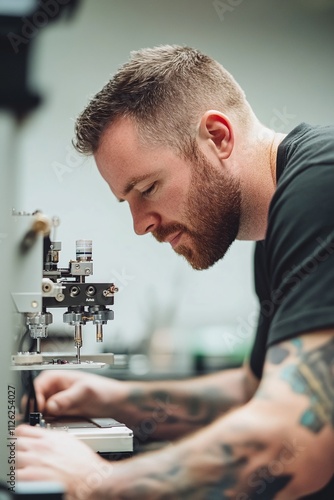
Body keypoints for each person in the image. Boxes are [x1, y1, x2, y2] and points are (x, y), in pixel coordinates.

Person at [16, 45, 334, 499]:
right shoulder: (279, 228)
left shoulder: (320, 185)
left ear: (218, 137)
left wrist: (102, 484)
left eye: (148, 188)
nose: (140, 223)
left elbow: (293, 437)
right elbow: (253, 388)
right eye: (129, 201)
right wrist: (112, 400)